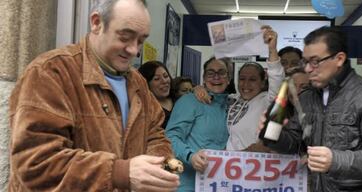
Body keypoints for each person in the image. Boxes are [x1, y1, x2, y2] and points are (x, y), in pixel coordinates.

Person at [8, 0, 181, 191]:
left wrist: (159, 165)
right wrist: (120, 173)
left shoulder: (137, 81)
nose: (134, 50)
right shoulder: (50, 72)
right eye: (125, 37)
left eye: (141, 40)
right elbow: (36, 164)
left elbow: (155, 133)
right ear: (97, 23)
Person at [260, 26, 362, 191]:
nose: (307, 69)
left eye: (315, 62)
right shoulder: (307, 98)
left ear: (339, 59)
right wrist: (272, 134)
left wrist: (336, 160)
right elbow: (295, 142)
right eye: (305, 62)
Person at [165, 57, 230, 191]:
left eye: (221, 72)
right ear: (204, 78)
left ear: (228, 78)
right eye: (210, 73)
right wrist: (190, 156)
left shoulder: (233, 104)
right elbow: (170, 137)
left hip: (219, 184)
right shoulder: (189, 101)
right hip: (189, 184)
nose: (216, 77)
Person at [139, 60, 174, 128]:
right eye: (157, 79)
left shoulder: (179, 99)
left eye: (166, 76)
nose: (164, 81)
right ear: (146, 84)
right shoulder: (144, 109)